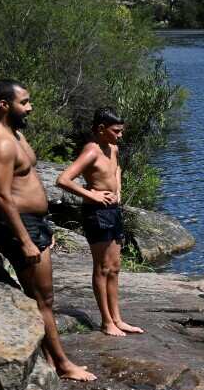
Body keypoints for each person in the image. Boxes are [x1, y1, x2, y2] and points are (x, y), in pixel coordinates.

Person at [0, 79, 95, 381]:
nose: (30, 108)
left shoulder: (15, 134)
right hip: (23, 228)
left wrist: (46, 225)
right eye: (24, 102)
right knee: (42, 300)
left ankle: (48, 357)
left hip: (37, 224)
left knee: (43, 297)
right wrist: (26, 239)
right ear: (5, 105)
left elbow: (26, 182)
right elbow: (3, 196)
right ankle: (62, 364)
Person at [56, 108, 143, 337]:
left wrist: (119, 189)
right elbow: (63, 179)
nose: (120, 135)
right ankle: (106, 322)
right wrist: (92, 195)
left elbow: (117, 169)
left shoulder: (112, 147)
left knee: (115, 267)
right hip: (96, 212)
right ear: (102, 129)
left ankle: (117, 319)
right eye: (116, 131)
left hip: (113, 210)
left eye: (121, 131)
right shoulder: (91, 151)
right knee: (102, 267)